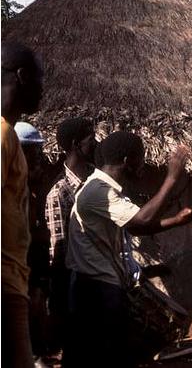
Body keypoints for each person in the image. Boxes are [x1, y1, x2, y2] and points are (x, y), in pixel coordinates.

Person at [64, 131, 192, 368]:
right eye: (141, 158)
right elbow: (141, 220)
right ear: (128, 161)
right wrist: (171, 178)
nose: (143, 165)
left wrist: (175, 221)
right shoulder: (99, 191)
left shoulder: (104, 188)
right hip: (95, 289)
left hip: (96, 285)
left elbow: (135, 227)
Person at [2, 42, 44, 368]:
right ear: (22, 76)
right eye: (40, 79)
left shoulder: (10, 137)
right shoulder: (2, 135)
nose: (43, 88)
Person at [44, 117, 96, 360]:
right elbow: (60, 251)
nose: (95, 144)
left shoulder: (96, 183)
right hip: (77, 289)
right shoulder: (60, 193)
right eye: (91, 140)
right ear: (76, 145)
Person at [15, 122, 50, 365]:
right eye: (30, 151)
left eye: (37, 152)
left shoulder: (30, 188)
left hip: (30, 261)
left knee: (35, 305)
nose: (36, 158)